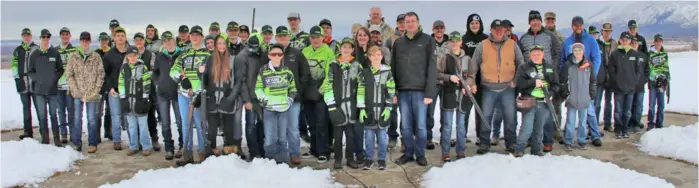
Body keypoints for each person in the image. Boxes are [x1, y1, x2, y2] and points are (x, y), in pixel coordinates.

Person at [466, 19, 525, 154]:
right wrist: (472, 82)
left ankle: (511, 143)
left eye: (501, 29)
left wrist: (516, 80)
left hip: (508, 87)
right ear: (491, 30)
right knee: (486, 116)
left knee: (510, 117)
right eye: (495, 29)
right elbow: (473, 66)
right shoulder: (482, 45)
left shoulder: (512, 44)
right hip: (488, 87)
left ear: (504, 30)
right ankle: (484, 143)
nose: (498, 31)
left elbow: (521, 63)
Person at [391, 12, 436, 166]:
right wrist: (394, 91)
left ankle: (420, 154)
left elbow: (432, 67)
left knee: (421, 126)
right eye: (407, 21)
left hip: (420, 91)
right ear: (403, 24)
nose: (410, 24)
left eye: (413, 21)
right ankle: (408, 153)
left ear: (418, 22)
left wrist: (429, 92)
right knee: (405, 126)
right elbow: (393, 68)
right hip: (403, 90)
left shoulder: (427, 40)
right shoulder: (398, 43)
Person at [518, 10, 563, 148]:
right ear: (529, 22)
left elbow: (557, 52)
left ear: (540, 21)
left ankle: (547, 141)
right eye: (532, 20)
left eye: (537, 20)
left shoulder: (550, 36)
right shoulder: (524, 38)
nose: (535, 22)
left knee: (546, 110)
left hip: (546, 76)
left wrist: (552, 68)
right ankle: (531, 139)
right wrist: (523, 72)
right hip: (529, 79)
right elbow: (520, 56)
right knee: (530, 110)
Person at [171, 25, 212, 166]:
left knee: (201, 124)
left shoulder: (208, 54)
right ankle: (187, 153)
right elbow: (174, 70)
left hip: (200, 94)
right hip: (183, 94)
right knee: (186, 123)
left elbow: (211, 75)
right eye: (192, 35)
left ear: (202, 37)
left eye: (197, 35)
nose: (195, 37)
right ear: (189, 36)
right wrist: (182, 79)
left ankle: (202, 153)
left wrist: (202, 89)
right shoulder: (184, 53)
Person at [202, 35, 249, 158]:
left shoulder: (234, 60)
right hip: (212, 99)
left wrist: (230, 98)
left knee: (228, 128)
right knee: (212, 129)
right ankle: (211, 152)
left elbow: (239, 80)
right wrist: (199, 72)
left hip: (228, 98)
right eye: (219, 44)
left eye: (223, 43)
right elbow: (205, 79)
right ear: (216, 45)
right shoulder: (210, 59)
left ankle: (229, 152)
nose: (221, 46)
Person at [560, 16, 602, 149]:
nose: (578, 27)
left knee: (589, 112)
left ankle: (594, 135)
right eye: (575, 25)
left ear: (583, 26)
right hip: (572, 82)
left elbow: (597, 58)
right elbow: (563, 61)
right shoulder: (567, 42)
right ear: (572, 26)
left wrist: (590, 74)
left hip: (585, 80)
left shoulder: (591, 40)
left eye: (580, 25)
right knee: (571, 115)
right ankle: (568, 138)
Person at [322, 37, 363, 169]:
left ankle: (350, 158)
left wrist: (360, 104)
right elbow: (327, 85)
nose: (346, 49)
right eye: (344, 47)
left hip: (351, 105)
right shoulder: (333, 65)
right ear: (340, 49)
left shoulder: (357, 65)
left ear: (352, 49)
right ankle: (338, 158)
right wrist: (331, 105)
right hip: (337, 104)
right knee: (337, 134)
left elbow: (362, 86)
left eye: (349, 47)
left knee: (350, 134)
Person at [255, 43, 297, 164]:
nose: (276, 56)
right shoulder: (263, 70)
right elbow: (258, 88)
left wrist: (289, 100)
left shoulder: (287, 71)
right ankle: (270, 161)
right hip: (269, 109)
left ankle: (283, 161)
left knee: (282, 137)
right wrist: (265, 100)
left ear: (282, 56)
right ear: (269, 55)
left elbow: (293, 89)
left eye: (279, 54)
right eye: (274, 54)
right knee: (269, 138)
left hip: (283, 109)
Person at [513, 45, 559, 157]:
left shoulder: (549, 67)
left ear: (543, 54)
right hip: (529, 101)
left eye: (538, 54)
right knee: (527, 128)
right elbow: (519, 84)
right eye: (533, 54)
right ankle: (519, 149)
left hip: (544, 102)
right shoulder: (524, 68)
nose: (536, 56)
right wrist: (534, 83)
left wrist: (551, 94)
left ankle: (536, 149)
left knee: (539, 128)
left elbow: (556, 85)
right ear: (530, 55)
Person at [274, 26, 310, 165]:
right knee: (279, 127)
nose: (283, 38)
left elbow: (305, 73)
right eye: (280, 36)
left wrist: (298, 89)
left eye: (285, 36)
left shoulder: (297, 54)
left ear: (289, 37)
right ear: (276, 38)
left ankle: (295, 153)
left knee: (293, 127)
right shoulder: (270, 53)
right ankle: (281, 153)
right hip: (276, 98)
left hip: (293, 99)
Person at [66, 31, 105, 152]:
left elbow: (101, 74)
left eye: (87, 40)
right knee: (77, 118)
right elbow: (69, 74)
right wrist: (74, 89)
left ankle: (92, 143)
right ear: (80, 42)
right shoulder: (74, 56)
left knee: (92, 119)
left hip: (91, 93)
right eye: (83, 40)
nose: (85, 43)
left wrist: (96, 89)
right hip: (78, 93)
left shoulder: (96, 57)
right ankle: (77, 143)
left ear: (90, 41)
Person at [302, 25, 336, 163]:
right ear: (310, 38)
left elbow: (331, 73)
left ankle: (324, 151)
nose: (316, 40)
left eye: (318, 37)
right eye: (313, 37)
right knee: (311, 122)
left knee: (322, 122)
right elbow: (302, 71)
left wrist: (322, 90)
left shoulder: (328, 52)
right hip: (308, 91)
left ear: (323, 37)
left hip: (322, 91)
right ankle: (314, 149)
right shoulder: (305, 51)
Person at [358, 45, 395, 170]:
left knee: (382, 138)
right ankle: (369, 159)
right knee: (368, 137)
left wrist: (388, 108)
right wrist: (361, 108)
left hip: (382, 109)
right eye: (373, 55)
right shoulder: (365, 72)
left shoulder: (387, 72)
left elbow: (391, 90)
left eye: (378, 54)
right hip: (369, 110)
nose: (376, 57)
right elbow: (361, 91)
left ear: (382, 56)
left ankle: (381, 159)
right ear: (369, 57)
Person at [436, 31, 469, 161]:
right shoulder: (444, 58)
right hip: (449, 93)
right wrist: (450, 77)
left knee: (461, 125)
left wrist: (469, 85)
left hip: (462, 95)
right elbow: (437, 74)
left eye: (457, 41)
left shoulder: (467, 59)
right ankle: (445, 152)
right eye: (452, 42)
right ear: (449, 43)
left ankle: (461, 150)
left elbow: (471, 75)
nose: (455, 44)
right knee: (447, 124)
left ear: (461, 42)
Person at [28, 29, 63, 146]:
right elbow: (30, 71)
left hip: (52, 90)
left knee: (53, 115)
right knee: (42, 116)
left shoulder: (54, 53)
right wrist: (38, 79)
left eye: (47, 37)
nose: (45, 39)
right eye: (43, 37)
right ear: (40, 38)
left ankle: (57, 139)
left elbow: (60, 69)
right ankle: (45, 139)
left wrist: (54, 78)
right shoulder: (35, 54)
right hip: (39, 91)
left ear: (49, 39)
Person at [154, 31, 185, 160]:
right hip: (162, 94)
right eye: (165, 40)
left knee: (180, 121)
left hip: (178, 93)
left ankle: (182, 146)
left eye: (170, 39)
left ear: (174, 40)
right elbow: (155, 72)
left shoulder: (182, 54)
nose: (168, 42)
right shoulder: (160, 56)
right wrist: (158, 83)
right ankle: (168, 148)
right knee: (165, 123)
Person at [560, 43, 596, 151]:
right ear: (573, 51)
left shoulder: (588, 65)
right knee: (570, 121)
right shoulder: (568, 64)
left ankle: (581, 140)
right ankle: (569, 141)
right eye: (575, 50)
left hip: (585, 97)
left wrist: (591, 94)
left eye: (579, 50)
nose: (577, 52)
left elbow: (593, 81)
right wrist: (566, 94)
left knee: (582, 121)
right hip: (572, 97)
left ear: (583, 51)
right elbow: (563, 81)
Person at [119, 46, 154, 156]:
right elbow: (120, 83)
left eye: (134, 55)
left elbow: (147, 82)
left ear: (137, 56)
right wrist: (123, 97)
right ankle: (133, 145)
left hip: (140, 101)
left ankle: (146, 146)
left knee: (143, 125)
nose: (132, 58)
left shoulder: (143, 68)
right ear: (127, 56)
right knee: (132, 126)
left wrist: (145, 97)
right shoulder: (124, 68)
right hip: (129, 101)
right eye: (130, 56)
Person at [460, 14, 488, 145]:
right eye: (472, 23)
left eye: (477, 23)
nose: (474, 25)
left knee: (480, 109)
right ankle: (462, 134)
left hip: (482, 80)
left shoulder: (486, 39)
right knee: (465, 109)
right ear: (468, 25)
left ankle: (480, 136)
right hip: (468, 80)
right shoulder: (464, 39)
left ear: (480, 24)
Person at [238, 33, 267, 160]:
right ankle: (253, 152)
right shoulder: (242, 57)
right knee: (250, 125)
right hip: (250, 96)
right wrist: (246, 99)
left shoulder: (264, 54)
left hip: (263, 96)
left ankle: (262, 150)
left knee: (262, 125)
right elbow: (241, 80)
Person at [608, 32, 641, 139]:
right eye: (623, 40)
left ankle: (625, 129)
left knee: (627, 111)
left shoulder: (634, 54)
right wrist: (616, 81)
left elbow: (638, 70)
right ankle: (618, 129)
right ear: (620, 41)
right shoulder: (615, 54)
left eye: (627, 40)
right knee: (618, 111)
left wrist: (634, 81)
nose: (625, 42)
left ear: (630, 41)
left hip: (630, 88)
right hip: (618, 88)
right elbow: (611, 70)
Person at [133, 32, 160, 151]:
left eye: (140, 40)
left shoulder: (151, 54)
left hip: (149, 89)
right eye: (136, 40)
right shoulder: (131, 54)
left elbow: (154, 70)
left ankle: (154, 139)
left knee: (150, 115)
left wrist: (144, 75)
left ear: (144, 41)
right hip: (134, 90)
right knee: (137, 114)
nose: (139, 42)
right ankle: (138, 140)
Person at [103, 26, 129, 151]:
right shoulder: (109, 55)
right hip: (114, 90)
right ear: (114, 38)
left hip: (129, 90)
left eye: (122, 36)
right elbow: (105, 73)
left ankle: (133, 141)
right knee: (116, 116)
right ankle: (117, 141)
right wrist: (110, 87)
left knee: (129, 116)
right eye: (117, 36)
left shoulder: (130, 53)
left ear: (125, 38)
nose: (120, 38)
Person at [426, 19, 449, 150]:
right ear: (433, 29)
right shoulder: (428, 43)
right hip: (432, 83)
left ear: (444, 29)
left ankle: (444, 137)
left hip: (447, 82)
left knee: (445, 111)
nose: (439, 30)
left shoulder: (450, 44)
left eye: (441, 28)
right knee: (429, 112)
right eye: (436, 28)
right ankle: (428, 138)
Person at [12, 28, 39, 140]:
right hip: (23, 83)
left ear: (31, 36)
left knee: (39, 108)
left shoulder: (36, 49)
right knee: (26, 109)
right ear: (22, 37)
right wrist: (17, 79)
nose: (26, 37)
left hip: (35, 84)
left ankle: (44, 132)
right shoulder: (18, 50)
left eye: (28, 35)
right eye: (24, 35)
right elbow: (14, 65)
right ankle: (28, 132)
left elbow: (41, 65)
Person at [56, 27, 78, 143]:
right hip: (58, 86)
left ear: (70, 36)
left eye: (67, 34)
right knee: (60, 111)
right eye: (63, 34)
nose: (65, 36)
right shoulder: (55, 51)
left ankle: (73, 134)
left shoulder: (74, 50)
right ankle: (63, 134)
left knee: (71, 110)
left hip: (70, 86)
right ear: (60, 36)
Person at [597, 23, 617, 133]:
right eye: (605, 31)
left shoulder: (614, 44)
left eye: (609, 31)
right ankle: (594, 126)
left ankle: (608, 124)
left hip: (610, 78)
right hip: (600, 78)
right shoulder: (597, 43)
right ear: (602, 31)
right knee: (597, 103)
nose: (607, 33)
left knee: (608, 102)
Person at [647, 34, 669, 131]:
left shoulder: (664, 54)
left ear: (662, 42)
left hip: (662, 83)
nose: (658, 43)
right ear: (654, 42)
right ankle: (650, 123)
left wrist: (665, 78)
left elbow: (666, 66)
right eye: (657, 41)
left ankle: (659, 123)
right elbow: (649, 67)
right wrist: (655, 76)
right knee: (652, 104)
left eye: (660, 41)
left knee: (661, 104)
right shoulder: (650, 54)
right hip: (653, 82)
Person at [628, 36, 650, 134]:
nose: (634, 45)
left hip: (640, 86)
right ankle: (629, 123)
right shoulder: (627, 55)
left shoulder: (643, 56)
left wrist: (644, 80)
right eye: (632, 43)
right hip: (629, 85)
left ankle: (636, 124)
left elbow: (647, 69)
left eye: (635, 43)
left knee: (639, 106)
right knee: (629, 105)